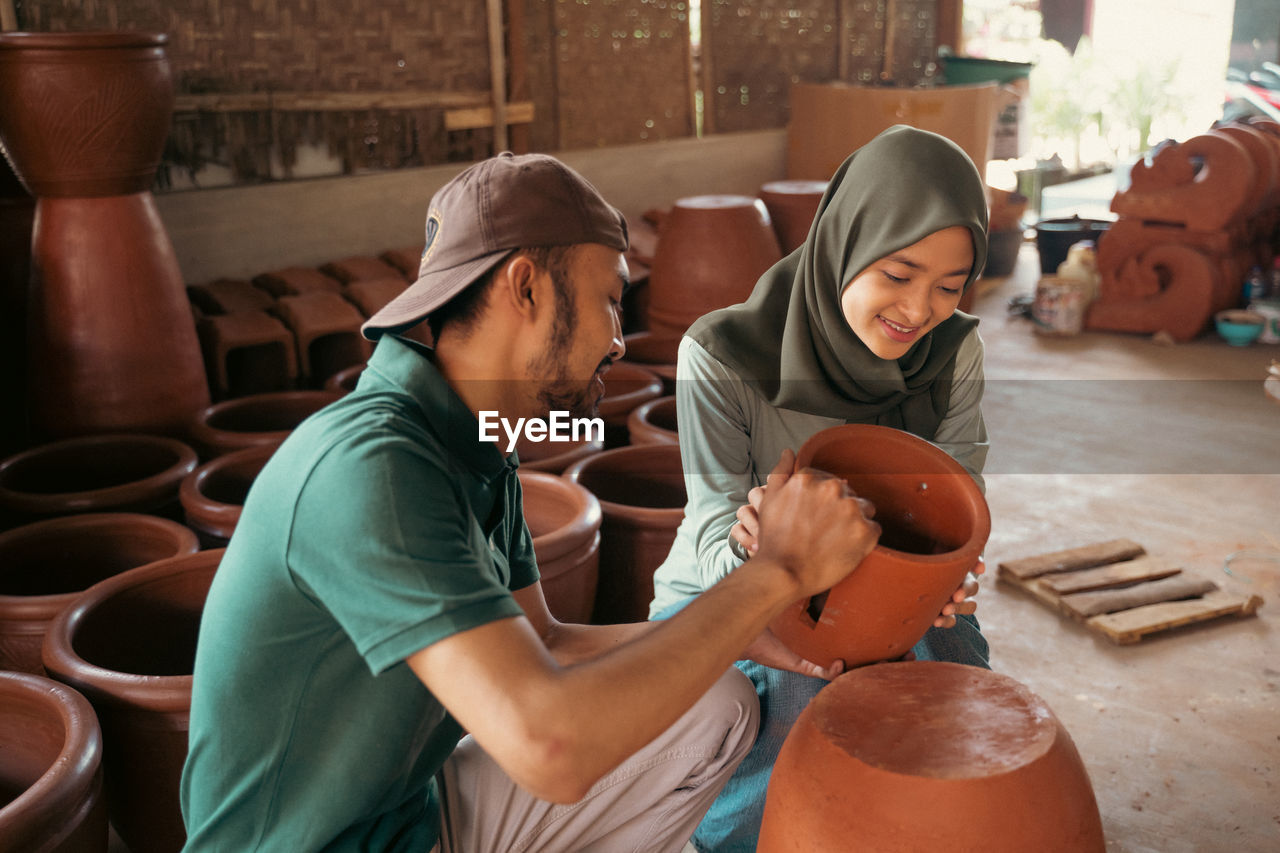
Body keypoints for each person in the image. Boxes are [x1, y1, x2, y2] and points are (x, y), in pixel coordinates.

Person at [179, 152, 885, 853]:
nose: (617, 337)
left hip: (410, 823)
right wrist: (777, 573)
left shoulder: (480, 444)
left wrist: (738, 625)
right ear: (525, 287)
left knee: (719, 701)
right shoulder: (372, 466)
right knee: (572, 737)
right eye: (610, 297)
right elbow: (550, 749)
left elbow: (544, 640)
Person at [648, 125, 992, 851]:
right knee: (794, 707)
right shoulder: (721, 354)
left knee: (957, 706)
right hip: (737, 587)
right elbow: (715, 530)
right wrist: (763, 553)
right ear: (845, 241)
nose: (920, 309)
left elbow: (960, 505)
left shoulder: (953, 353)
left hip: (894, 593)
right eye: (898, 274)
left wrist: (950, 582)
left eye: (949, 286)